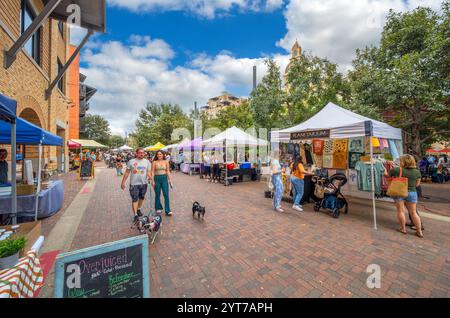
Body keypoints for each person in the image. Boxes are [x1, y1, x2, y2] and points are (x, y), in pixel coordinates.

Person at [384, 154, 423, 238]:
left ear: (403, 161)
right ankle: (419, 231)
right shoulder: (417, 172)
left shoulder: (397, 170)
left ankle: (403, 229)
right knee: (413, 212)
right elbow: (417, 184)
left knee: (401, 211)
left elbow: (386, 175)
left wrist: (385, 169)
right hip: (412, 192)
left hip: (399, 192)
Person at [121, 148, 152, 224]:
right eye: (140, 152)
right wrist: (123, 182)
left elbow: (148, 172)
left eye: (143, 153)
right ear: (136, 153)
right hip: (134, 184)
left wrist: (150, 177)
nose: (141, 154)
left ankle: (138, 208)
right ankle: (135, 215)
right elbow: (127, 173)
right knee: (135, 199)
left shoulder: (147, 162)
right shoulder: (131, 162)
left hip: (144, 183)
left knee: (141, 198)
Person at [152, 150, 173, 216]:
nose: (159, 155)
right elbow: (152, 172)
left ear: (163, 155)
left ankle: (168, 210)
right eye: (158, 154)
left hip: (164, 178)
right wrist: (152, 181)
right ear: (156, 155)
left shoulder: (166, 162)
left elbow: (168, 171)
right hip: (156, 178)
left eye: (160, 154)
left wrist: (170, 181)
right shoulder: (154, 162)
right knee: (157, 194)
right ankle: (158, 207)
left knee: (166, 194)